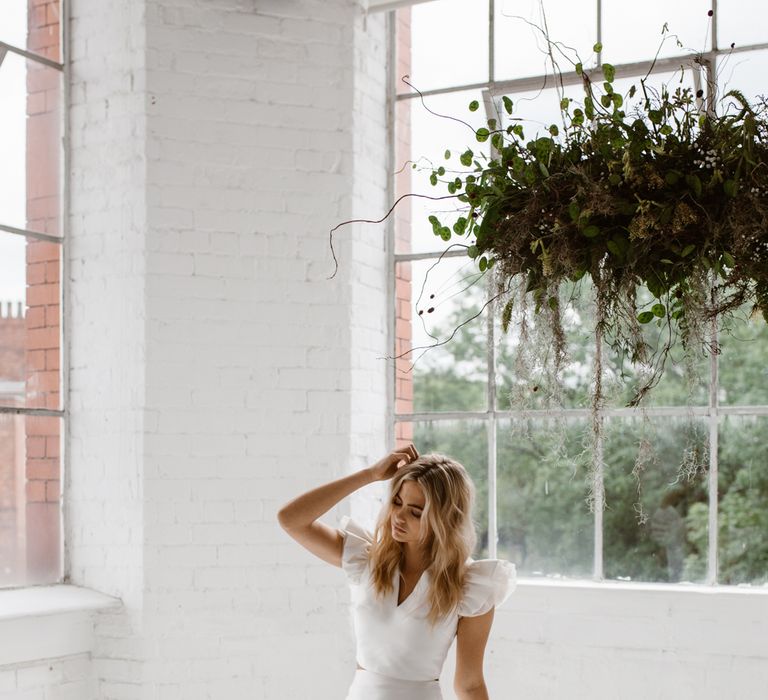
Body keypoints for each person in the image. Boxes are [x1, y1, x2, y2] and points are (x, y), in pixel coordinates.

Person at [277, 444, 516, 700]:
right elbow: (291, 519)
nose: (398, 518)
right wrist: (369, 475)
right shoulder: (368, 559)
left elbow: (469, 685)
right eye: (397, 502)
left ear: (444, 520)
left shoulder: (471, 586)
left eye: (415, 512)